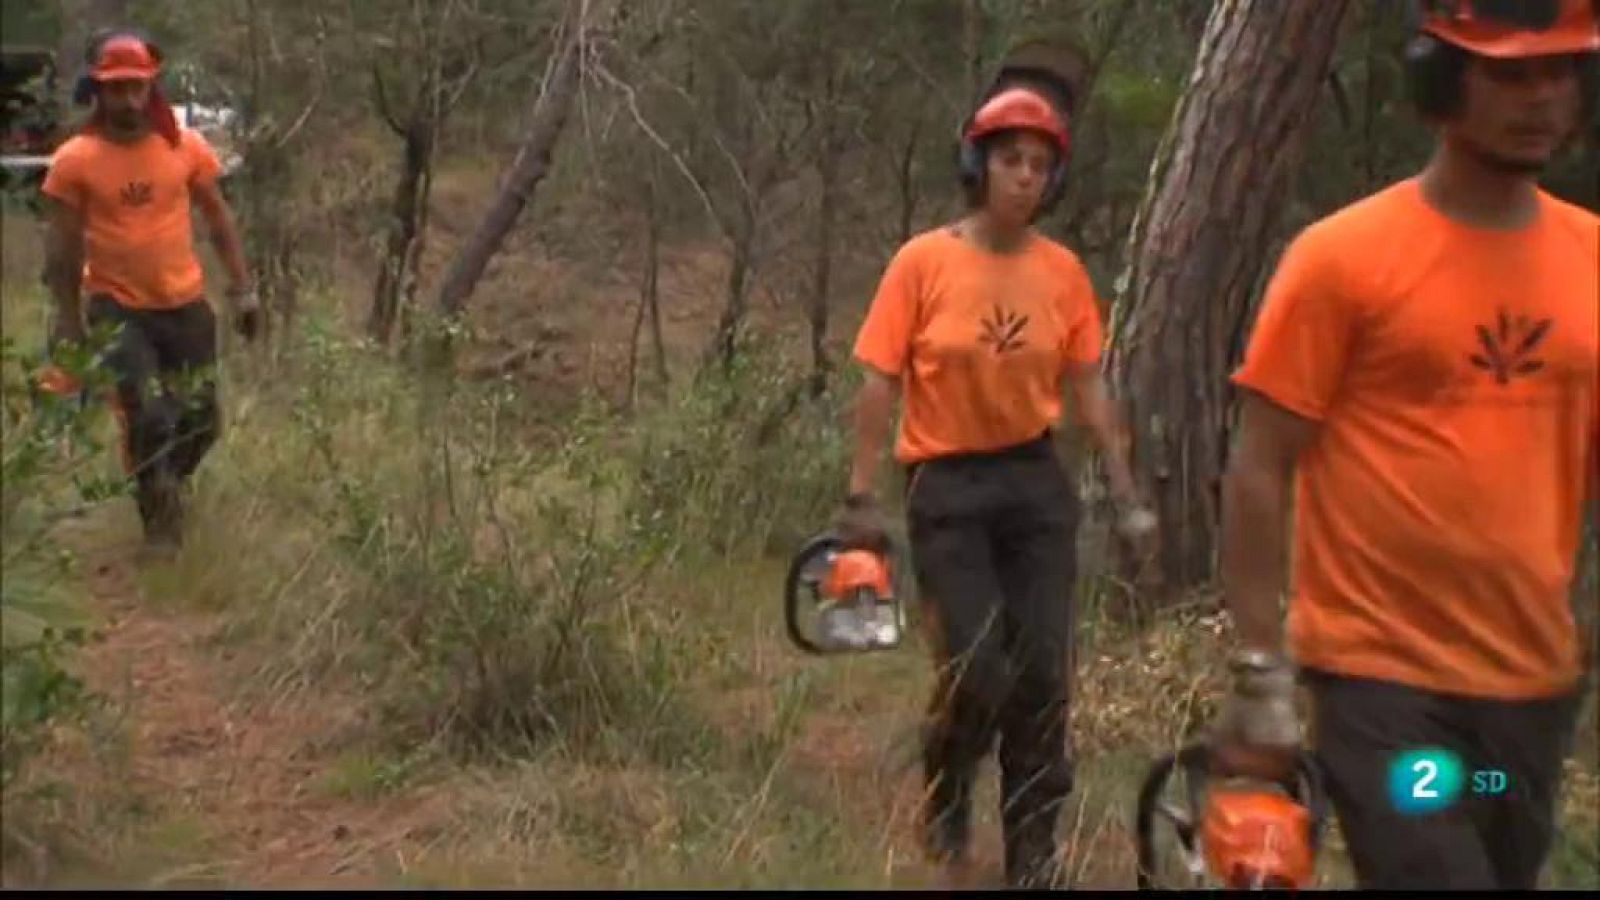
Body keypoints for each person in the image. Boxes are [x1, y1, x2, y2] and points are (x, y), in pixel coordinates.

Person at [1213, 0, 1598, 889]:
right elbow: (1262, 466)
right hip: (1381, 684)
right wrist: (1261, 670)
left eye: (1560, 72)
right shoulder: (1343, 260)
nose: (1540, 97)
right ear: (1441, 81)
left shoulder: (1593, 261)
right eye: (1508, 73)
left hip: (1530, 693)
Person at [837, 70, 1157, 888]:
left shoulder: (1064, 274)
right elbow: (878, 380)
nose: (1026, 175)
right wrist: (861, 497)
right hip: (945, 485)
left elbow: (1088, 386)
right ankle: (946, 785)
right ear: (978, 164)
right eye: (1011, 158)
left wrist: (1125, 495)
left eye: (1040, 165)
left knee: (1045, 674)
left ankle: (1034, 851)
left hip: (1031, 482)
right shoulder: (922, 264)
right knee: (978, 667)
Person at [41, 30, 257, 559]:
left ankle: (162, 479)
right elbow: (63, 254)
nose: (129, 100)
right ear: (99, 91)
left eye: (137, 88)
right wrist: (69, 323)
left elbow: (219, 220)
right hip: (118, 308)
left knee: (202, 421)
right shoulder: (75, 160)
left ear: (151, 88)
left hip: (185, 305)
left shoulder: (184, 147)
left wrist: (243, 290)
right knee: (146, 416)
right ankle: (161, 530)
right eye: (117, 89)